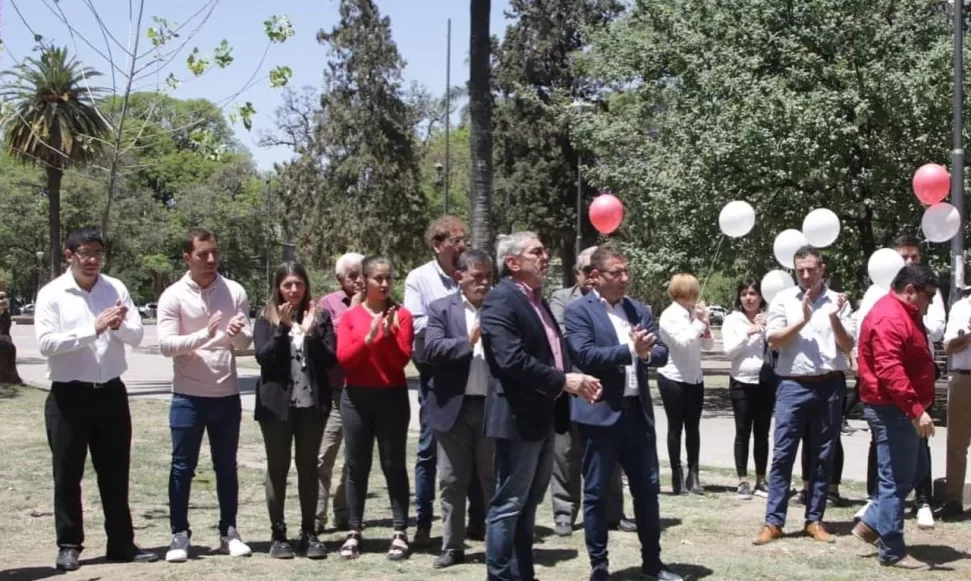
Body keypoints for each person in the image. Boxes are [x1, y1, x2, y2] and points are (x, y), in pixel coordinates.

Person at [34, 227, 157, 571]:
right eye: (86, 253)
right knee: (67, 474)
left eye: (98, 254)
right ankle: (69, 544)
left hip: (111, 394)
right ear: (70, 255)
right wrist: (94, 328)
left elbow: (136, 333)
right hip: (69, 397)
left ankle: (121, 543)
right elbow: (46, 343)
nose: (92, 260)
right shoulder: (52, 294)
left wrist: (117, 326)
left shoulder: (115, 288)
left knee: (115, 473)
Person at [481, 231, 600, 581]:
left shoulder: (536, 299)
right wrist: (563, 381)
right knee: (508, 505)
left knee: (528, 505)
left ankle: (523, 574)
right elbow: (510, 359)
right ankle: (500, 575)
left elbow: (552, 352)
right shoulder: (500, 300)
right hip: (516, 417)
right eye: (537, 251)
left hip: (544, 415)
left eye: (545, 251)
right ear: (513, 263)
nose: (545, 256)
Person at [564, 244, 681, 581]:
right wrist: (630, 348)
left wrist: (644, 354)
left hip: (637, 415)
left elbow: (660, 353)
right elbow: (585, 355)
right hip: (599, 415)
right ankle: (599, 565)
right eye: (617, 272)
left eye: (626, 271)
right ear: (595, 276)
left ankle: (653, 563)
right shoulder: (579, 312)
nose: (625, 278)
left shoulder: (637, 309)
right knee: (598, 494)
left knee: (647, 491)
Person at [157, 227, 253, 563]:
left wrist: (236, 336)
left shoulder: (235, 291)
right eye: (202, 254)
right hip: (188, 397)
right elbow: (166, 345)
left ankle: (229, 532)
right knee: (183, 467)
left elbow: (244, 344)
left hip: (226, 396)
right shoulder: (173, 296)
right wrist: (205, 334)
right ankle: (179, 535)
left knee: (226, 466)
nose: (211, 260)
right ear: (187, 257)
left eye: (215, 252)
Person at [755, 246, 854, 546]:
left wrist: (834, 317)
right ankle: (774, 522)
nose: (806, 275)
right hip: (792, 386)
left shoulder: (838, 301)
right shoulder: (784, 300)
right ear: (794, 271)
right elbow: (773, 341)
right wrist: (803, 319)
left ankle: (815, 519)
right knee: (783, 454)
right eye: (800, 270)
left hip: (829, 385)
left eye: (811, 269)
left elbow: (848, 346)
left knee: (823, 455)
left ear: (822, 268)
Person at [851, 264, 938, 571]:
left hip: (900, 407)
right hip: (893, 409)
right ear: (910, 290)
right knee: (895, 480)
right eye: (928, 295)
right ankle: (892, 550)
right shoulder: (889, 316)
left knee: (914, 471)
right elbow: (890, 371)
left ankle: (872, 522)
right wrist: (915, 410)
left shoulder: (905, 312)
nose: (930, 301)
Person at [404, 216, 484, 545]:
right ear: (437, 245)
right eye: (455, 240)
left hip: (477, 378)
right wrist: (455, 325)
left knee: (479, 456)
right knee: (428, 451)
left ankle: (478, 523)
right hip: (437, 374)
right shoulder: (420, 279)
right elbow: (414, 323)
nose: (463, 245)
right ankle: (424, 523)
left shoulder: (474, 275)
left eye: (465, 239)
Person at [254, 262, 337, 559]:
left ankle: (309, 533)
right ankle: (279, 535)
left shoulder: (320, 317)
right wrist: (281, 329)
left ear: (306, 286)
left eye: (298, 284)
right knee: (277, 468)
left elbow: (330, 361)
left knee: (308, 467)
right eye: (287, 284)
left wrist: (312, 333)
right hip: (276, 407)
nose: (293, 290)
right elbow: (263, 359)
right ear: (278, 287)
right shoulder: (266, 317)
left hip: (311, 406)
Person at [549, 246, 633, 536]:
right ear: (578, 274)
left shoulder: (618, 304)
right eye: (586, 271)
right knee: (567, 452)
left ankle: (613, 513)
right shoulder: (562, 299)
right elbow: (566, 337)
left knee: (609, 453)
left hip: (606, 386)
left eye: (594, 271)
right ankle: (564, 513)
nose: (591, 277)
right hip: (571, 383)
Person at [422, 249, 497, 569]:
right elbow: (432, 348)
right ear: (460, 277)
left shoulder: (499, 309)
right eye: (476, 277)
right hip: (453, 408)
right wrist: (467, 342)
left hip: (492, 409)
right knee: (451, 481)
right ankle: (452, 547)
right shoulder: (441, 309)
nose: (483, 283)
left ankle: (498, 544)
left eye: (488, 277)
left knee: (492, 481)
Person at [336, 256, 414, 560]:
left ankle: (399, 531)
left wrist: (388, 335)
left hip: (391, 396)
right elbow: (344, 360)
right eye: (377, 278)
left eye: (388, 279)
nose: (384, 284)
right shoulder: (351, 317)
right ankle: (354, 531)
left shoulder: (402, 316)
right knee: (357, 465)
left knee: (394, 463)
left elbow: (400, 361)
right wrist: (367, 340)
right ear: (364, 281)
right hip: (356, 397)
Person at [315, 252, 364, 533]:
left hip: (365, 392)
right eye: (352, 276)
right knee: (324, 457)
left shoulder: (377, 301)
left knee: (355, 459)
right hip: (335, 393)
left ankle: (343, 511)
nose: (358, 281)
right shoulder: (328, 304)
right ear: (340, 279)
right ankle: (317, 518)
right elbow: (329, 346)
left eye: (361, 274)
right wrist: (352, 311)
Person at [656, 273, 713, 494]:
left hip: (694, 377)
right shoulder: (669, 315)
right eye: (693, 292)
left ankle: (694, 474)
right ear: (682, 293)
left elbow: (707, 346)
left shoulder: (693, 315)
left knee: (693, 428)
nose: (696, 296)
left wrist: (705, 324)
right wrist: (698, 322)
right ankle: (677, 475)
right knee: (675, 428)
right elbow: (682, 342)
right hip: (673, 378)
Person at [721, 279, 775, 500]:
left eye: (753, 293)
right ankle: (742, 480)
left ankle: (761, 480)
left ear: (761, 296)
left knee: (762, 433)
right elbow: (729, 352)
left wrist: (768, 328)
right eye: (744, 294)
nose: (749, 298)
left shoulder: (771, 318)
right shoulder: (732, 320)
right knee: (743, 432)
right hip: (741, 381)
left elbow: (778, 346)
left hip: (765, 381)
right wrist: (749, 333)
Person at [939, 278, 971, 521]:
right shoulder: (961, 307)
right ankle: (953, 500)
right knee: (956, 444)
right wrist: (968, 336)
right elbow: (948, 346)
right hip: (963, 378)